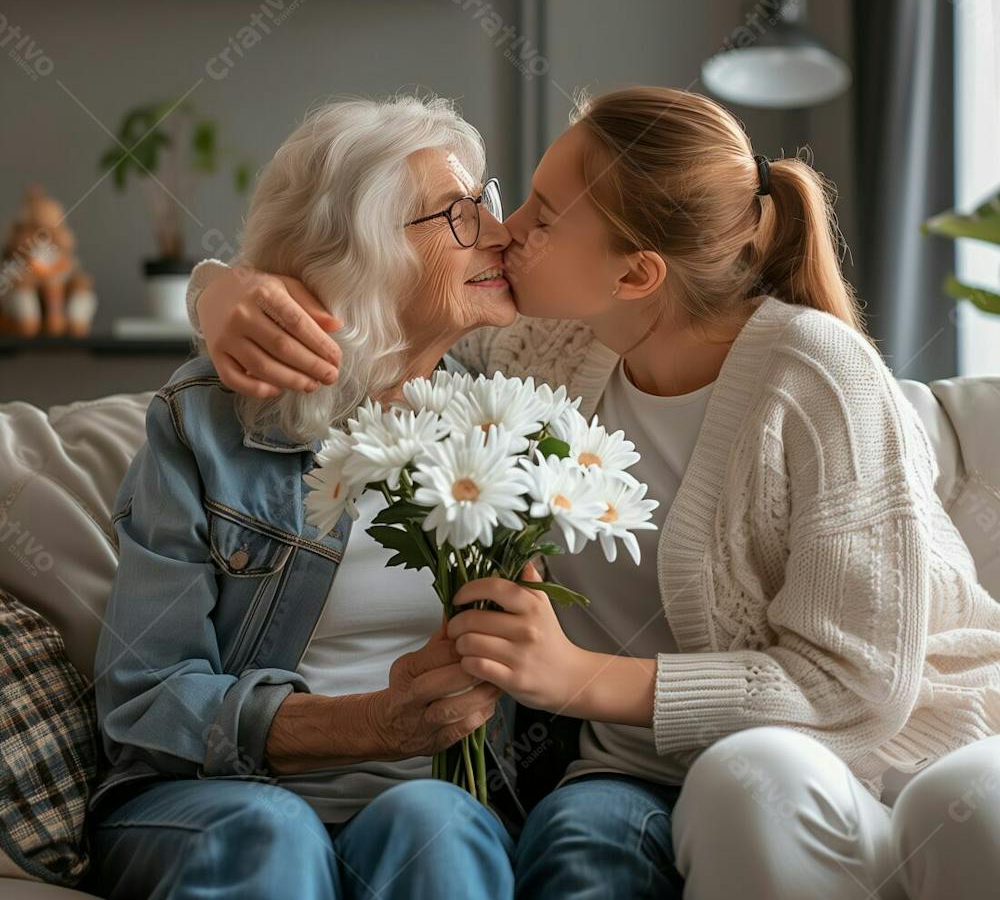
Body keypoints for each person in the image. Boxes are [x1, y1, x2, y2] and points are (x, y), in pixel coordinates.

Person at [189, 85, 1000, 900]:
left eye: (541, 217)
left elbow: (854, 689)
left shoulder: (817, 376)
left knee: (779, 786)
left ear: (637, 273)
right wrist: (219, 290)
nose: (505, 232)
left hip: (886, 751)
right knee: (577, 846)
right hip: (639, 769)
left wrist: (579, 678)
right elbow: (380, 295)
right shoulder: (550, 350)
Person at [88, 95, 527, 900]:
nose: (501, 232)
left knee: (441, 821)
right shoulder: (206, 425)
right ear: (360, 255)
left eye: (486, 203)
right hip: (220, 803)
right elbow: (143, 700)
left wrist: (211, 283)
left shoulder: (508, 420)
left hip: (421, 802)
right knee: (271, 832)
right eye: (458, 216)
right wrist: (372, 726)